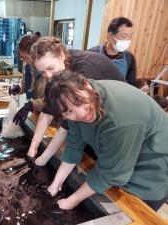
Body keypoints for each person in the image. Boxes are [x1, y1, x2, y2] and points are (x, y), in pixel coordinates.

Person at [43, 70, 168, 211]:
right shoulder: (74, 98)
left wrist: (71, 201)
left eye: (79, 102)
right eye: (68, 112)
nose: (82, 114)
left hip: (153, 171)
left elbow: (110, 172)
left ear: (86, 85)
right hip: (122, 158)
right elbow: (74, 144)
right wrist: (55, 183)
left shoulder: (119, 120)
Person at [19, 37, 125, 157]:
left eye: (50, 68)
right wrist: (33, 147)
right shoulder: (56, 74)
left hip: (120, 114)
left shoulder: (85, 70)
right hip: (95, 112)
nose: (48, 75)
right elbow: (48, 110)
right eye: (42, 72)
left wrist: (44, 158)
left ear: (61, 56)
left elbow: (67, 124)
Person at [88, 17, 136, 85]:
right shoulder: (91, 54)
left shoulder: (129, 58)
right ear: (110, 36)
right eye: (124, 36)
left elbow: (131, 84)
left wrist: (141, 85)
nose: (127, 40)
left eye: (130, 37)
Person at [8, 34, 41, 101]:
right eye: (22, 58)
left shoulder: (45, 71)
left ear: (36, 55)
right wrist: (14, 89)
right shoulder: (27, 66)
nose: (25, 61)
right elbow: (24, 86)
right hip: (32, 103)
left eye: (26, 58)